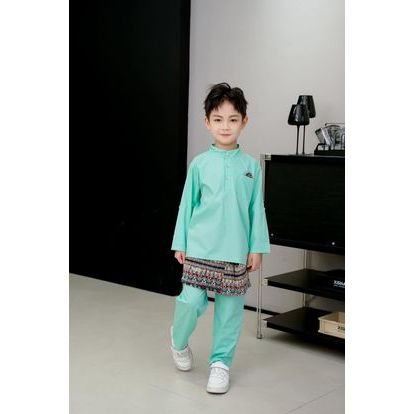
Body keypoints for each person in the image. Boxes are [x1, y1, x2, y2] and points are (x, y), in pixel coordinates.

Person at [170, 82, 270, 394]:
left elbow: (256, 209)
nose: (225, 126)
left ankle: (220, 364)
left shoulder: (251, 167)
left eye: (232, 119)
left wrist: (256, 247)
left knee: (229, 312)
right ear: (207, 122)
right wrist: (180, 242)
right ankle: (178, 340)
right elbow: (187, 204)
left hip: (236, 250)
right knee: (190, 301)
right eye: (218, 119)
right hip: (200, 247)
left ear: (244, 122)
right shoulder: (199, 164)